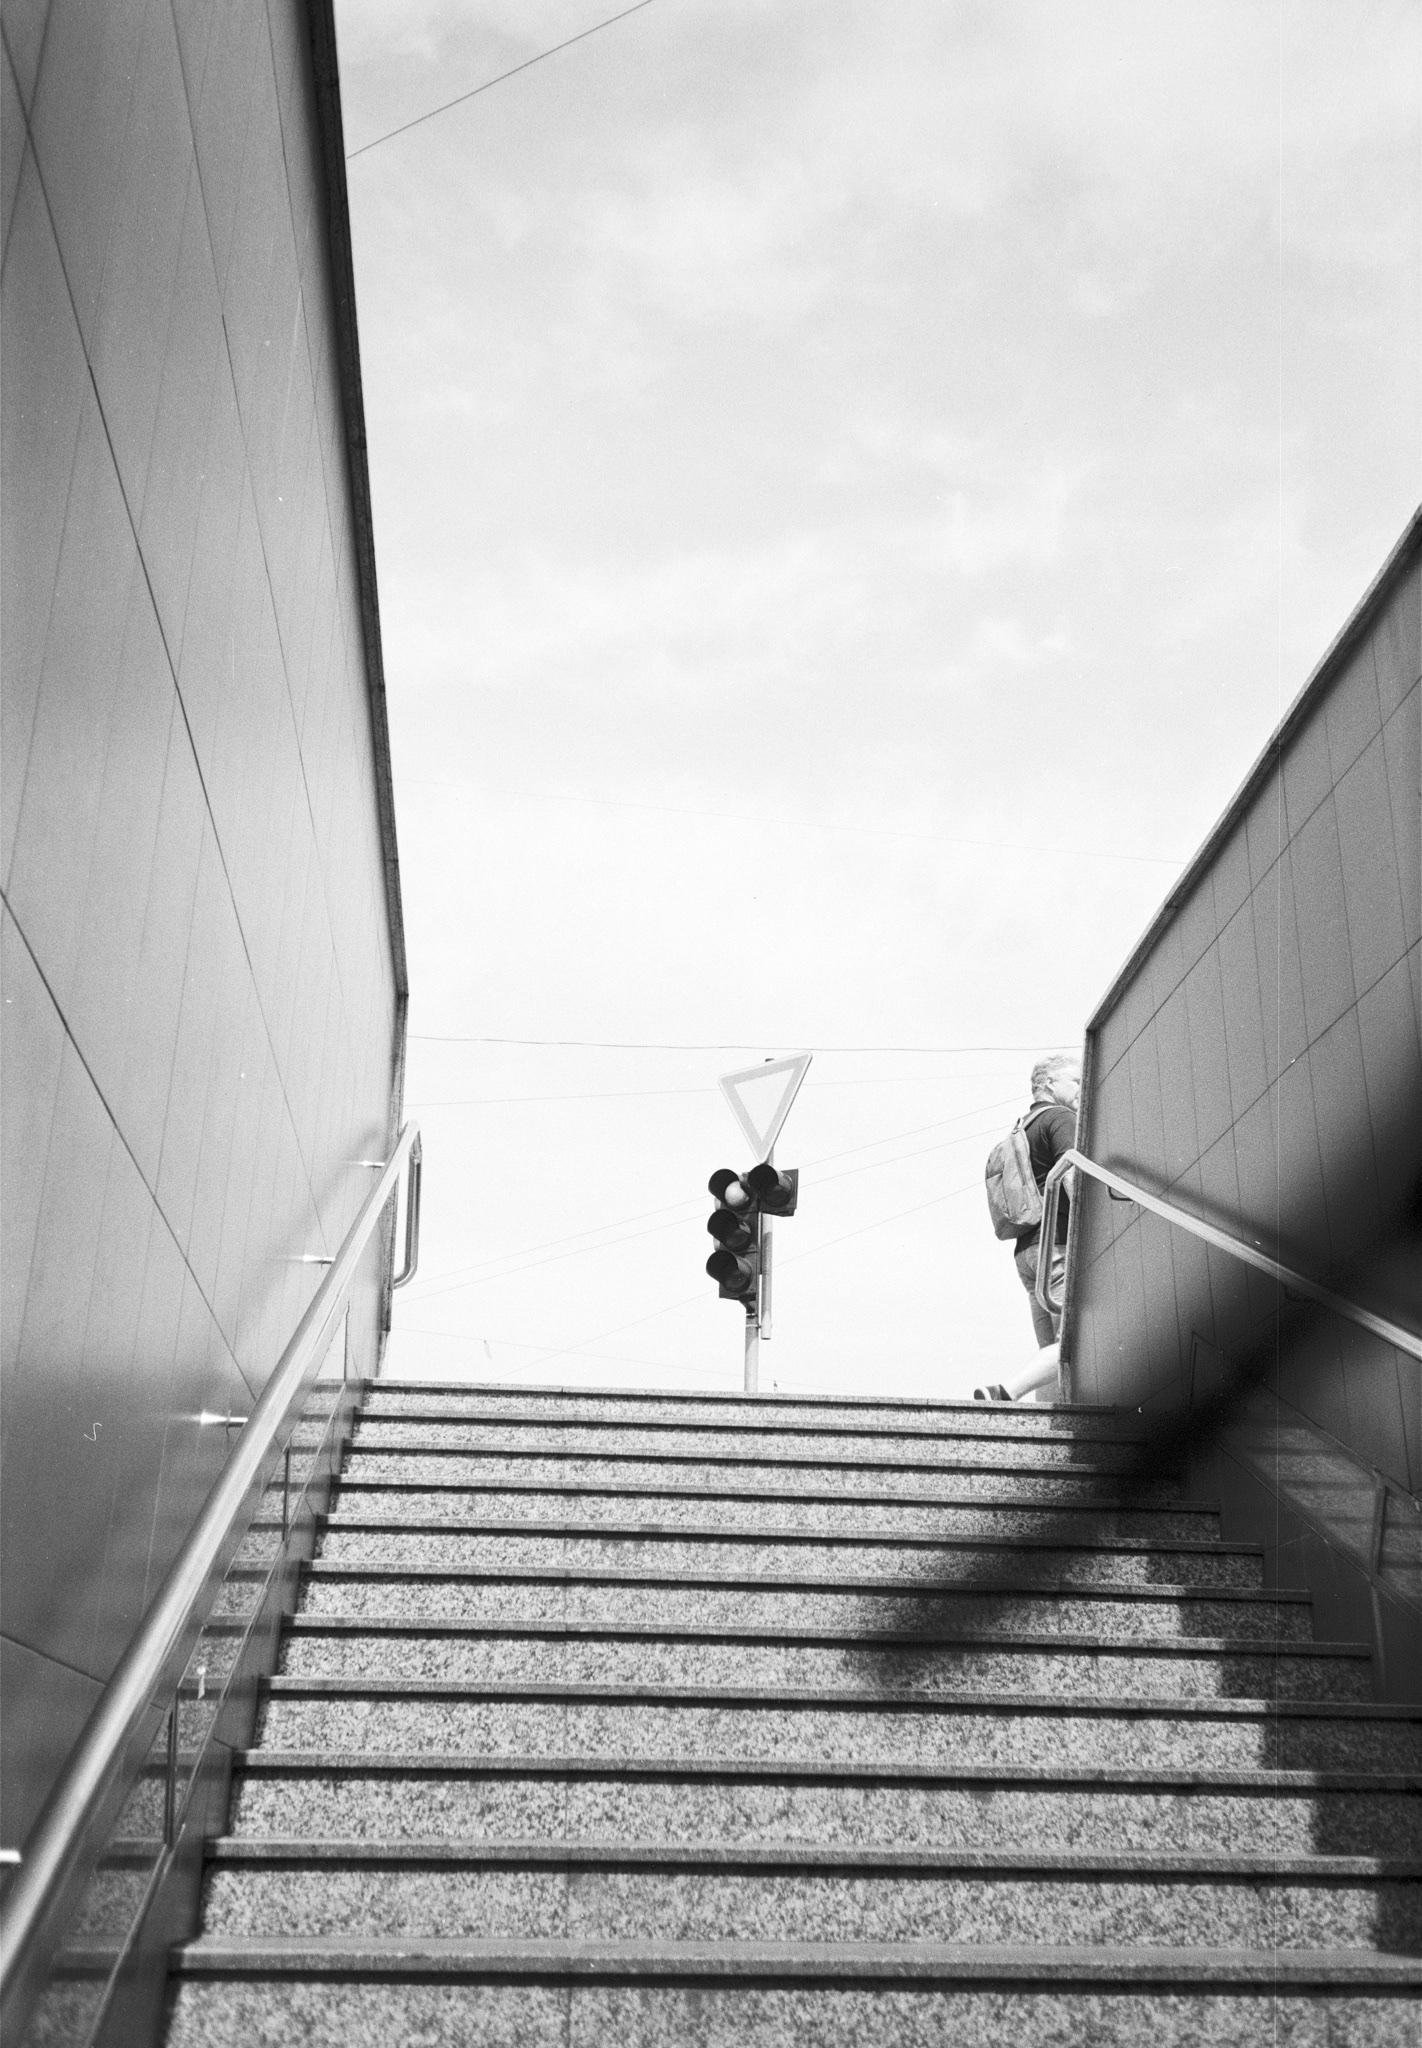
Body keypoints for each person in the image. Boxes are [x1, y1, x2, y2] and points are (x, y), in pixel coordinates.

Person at [975, 1053, 1080, 1402]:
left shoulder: (1024, 1126)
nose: (1081, 1089)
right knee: (1070, 1342)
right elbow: (1072, 1176)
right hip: (1059, 1246)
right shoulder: (1061, 1118)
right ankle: (1004, 1392)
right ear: (1049, 1083)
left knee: (1049, 1348)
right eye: (1075, 1082)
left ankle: (1041, 1427)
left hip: (1027, 1252)